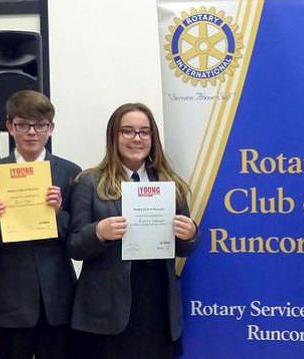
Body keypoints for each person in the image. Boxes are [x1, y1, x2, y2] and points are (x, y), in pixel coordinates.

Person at [67, 102, 198, 358]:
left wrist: (190, 233)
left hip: (157, 305)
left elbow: (184, 247)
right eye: (127, 131)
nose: (137, 138)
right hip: (107, 310)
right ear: (113, 136)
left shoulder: (169, 183)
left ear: (153, 138)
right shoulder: (89, 182)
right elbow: (73, 246)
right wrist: (98, 232)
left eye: (144, 132)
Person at [0, 90, 81, 359]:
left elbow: (78, 239)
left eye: (40, 125)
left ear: (51, 128)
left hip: (58, 297)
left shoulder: (69, 172)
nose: (32, 132)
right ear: (10, 126)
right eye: (23, 124)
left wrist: (58, 213)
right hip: (10, 299)